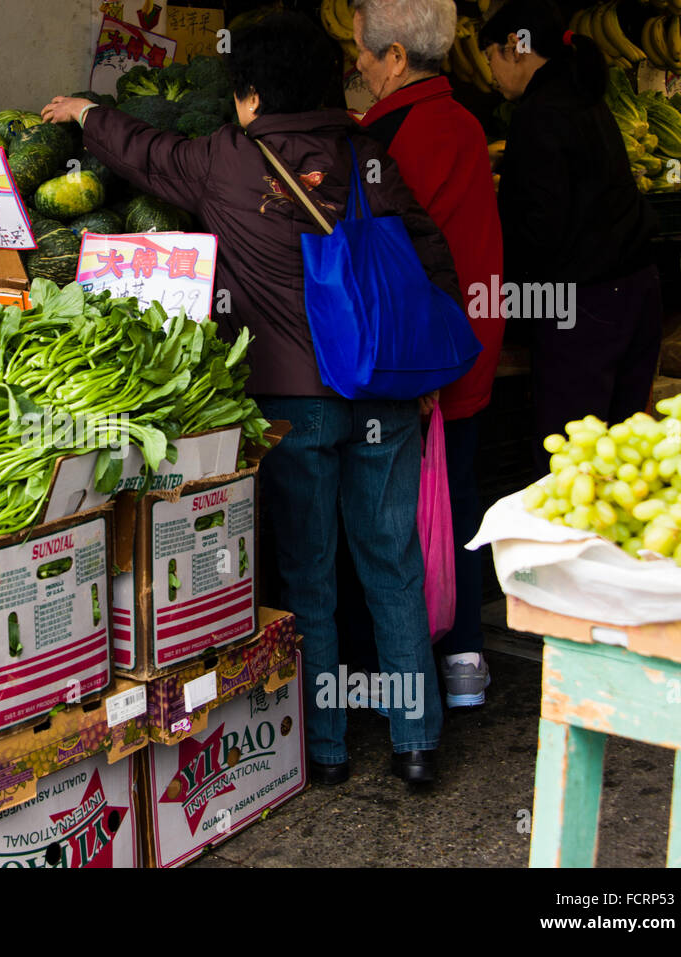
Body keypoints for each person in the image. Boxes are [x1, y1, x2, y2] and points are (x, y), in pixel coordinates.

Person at [41, 10, 457, 786]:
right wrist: (423, 375)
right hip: (384, 396)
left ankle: (326, 748)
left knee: (309, 576)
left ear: (250, 97)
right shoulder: (370, 155)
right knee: (393, 565)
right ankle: (416, 743)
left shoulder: (229, 160)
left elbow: (146, 153)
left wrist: (86, 113)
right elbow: (430, 262)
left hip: (291, 405)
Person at [347, 0, 505, 708]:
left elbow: (396, 259)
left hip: (423, 356)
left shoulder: (391, 135)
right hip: (472, 340)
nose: (357, 63)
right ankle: (466, 663)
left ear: (398, 57)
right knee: (460, 498)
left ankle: (405, 686)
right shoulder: (468, 122)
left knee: (399, 517)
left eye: (364, 52)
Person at [478, 0, 660, 476]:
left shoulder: (539, 114)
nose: (492, 74)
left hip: (585, 305)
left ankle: (571, 548)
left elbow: (540, 230)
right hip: (635, 292)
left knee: (572, 460)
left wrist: (505, 301)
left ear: (515, 47)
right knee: (622, 457)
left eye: (492, 58)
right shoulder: (583, 96)